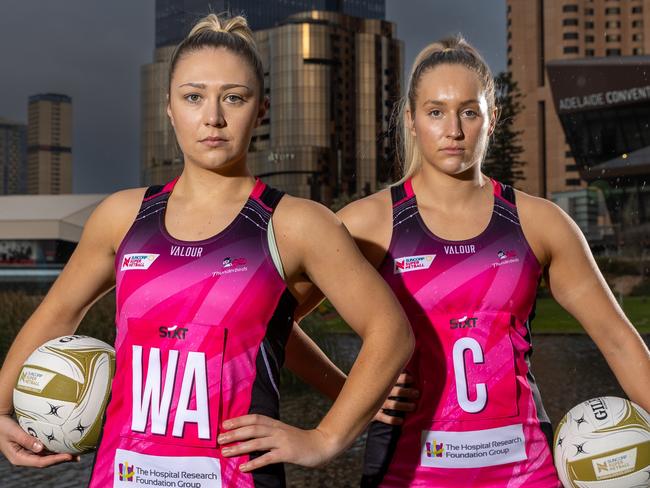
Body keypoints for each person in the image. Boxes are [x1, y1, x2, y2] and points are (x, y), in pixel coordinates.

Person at [0, 14, 414, 487]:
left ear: (262, 109)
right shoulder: (122, 216)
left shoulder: (296, 224)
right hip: (122, 473)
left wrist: (326, 438)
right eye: (193, 96)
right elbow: (58, 314)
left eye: (233, 98)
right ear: (170, 108)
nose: (212, 117)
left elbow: (390, 331)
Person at [286, 36, 650, 487]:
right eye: (435, 111)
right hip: (408, 473)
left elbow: (619, 342)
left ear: (491, 118)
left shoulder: (539, 222)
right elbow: (270, 323)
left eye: (469, 111)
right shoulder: (366, 225)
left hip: (526, 473)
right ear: (412, 121)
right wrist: (349, 393)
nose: (453, 130)